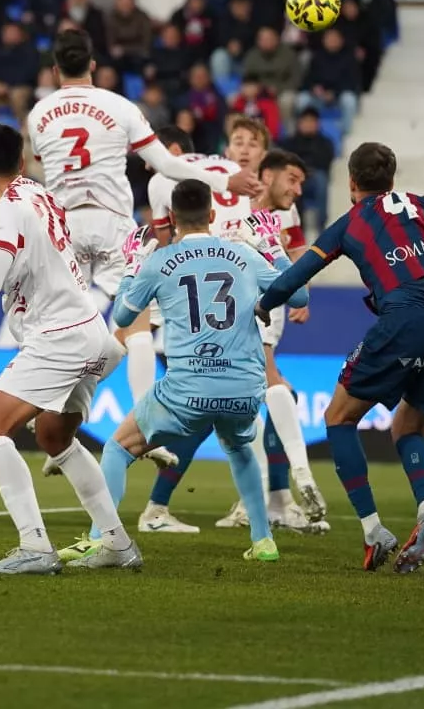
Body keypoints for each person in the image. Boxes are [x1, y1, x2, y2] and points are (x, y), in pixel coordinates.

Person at [258, 142, 424, 572]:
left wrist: (263, 304)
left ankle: (372, 530)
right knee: (407, 427)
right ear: (392, 177)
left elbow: (294, 276)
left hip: (402, 324)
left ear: (351, 182)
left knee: (338, 417)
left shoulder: (348, 225)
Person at [27, 28, 261, 426]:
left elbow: (38, 158)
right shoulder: (119, 106)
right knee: (137, 326)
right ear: (94, 66)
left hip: (63, 227)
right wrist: (225, 181)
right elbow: (167, 164)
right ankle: (143, 418)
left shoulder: (38, 115)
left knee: (66, 327)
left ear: (54, 70)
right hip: (113, 223)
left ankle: (50, 408)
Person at [86, 177, 314, 565]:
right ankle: (263, 542)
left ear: (172, 218)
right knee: (239, 447)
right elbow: (300, 295)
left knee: (117, 447)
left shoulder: (159, 260)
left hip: (187, 388)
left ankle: (101, 539)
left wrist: (131, 267)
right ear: (212, 215)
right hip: (244, 388)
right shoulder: (243, 254)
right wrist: (271, 246)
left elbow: (123, 316)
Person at [0, 123, 135, 573]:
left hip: (59, 337)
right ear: (24, 160)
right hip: (93, 333)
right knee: (54, 436)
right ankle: (117, 543)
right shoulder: (39, 192)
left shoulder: (6, 212)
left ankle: (34, 546)